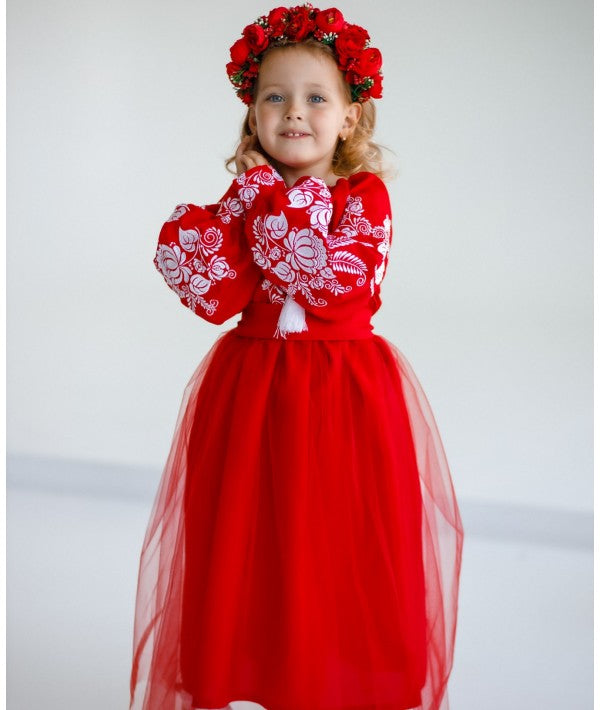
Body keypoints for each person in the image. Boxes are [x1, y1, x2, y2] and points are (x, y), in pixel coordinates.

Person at [129, 5, 464, 710]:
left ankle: (326, 679)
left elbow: (331, 285)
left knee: (334, 544)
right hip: (251, 387)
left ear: (350, 117)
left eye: (317, 97)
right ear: (251, 114)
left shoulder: (363, 198)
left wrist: (265, 200)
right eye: (273, 96)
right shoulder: (242, 196)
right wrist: (247, 197)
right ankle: (261, 669)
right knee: (251, 542)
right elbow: (212, 290)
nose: (294, 112)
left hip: (343, 391)